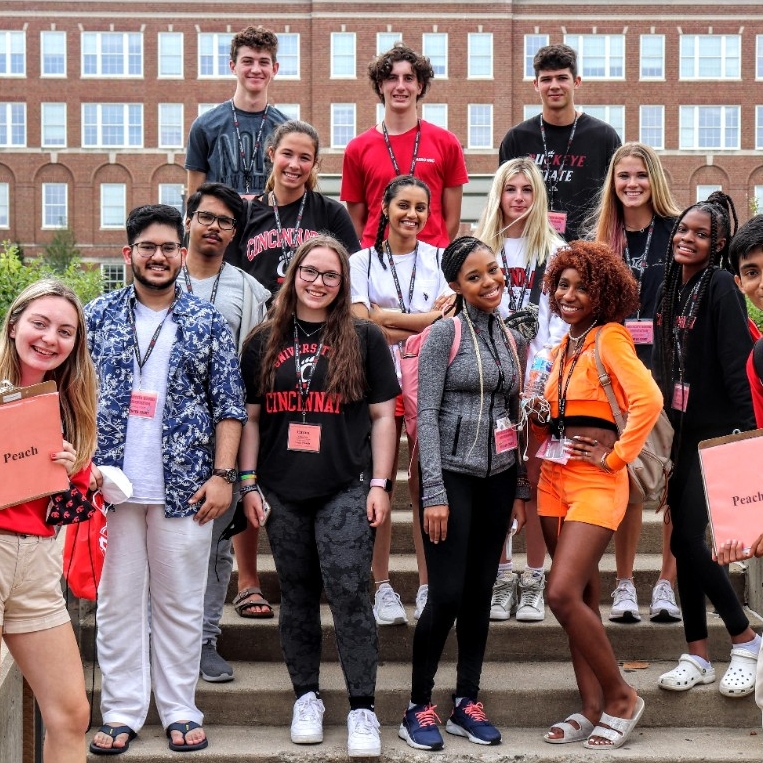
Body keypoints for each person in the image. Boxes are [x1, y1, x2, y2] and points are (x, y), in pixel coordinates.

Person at [86, 204, 248, 754]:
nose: (158, 257)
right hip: (110, 487)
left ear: (182, 254)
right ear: (128, 253)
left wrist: (225, 475)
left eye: (167, 248)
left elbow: (229, 406)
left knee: (180, 601)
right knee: (118, 600)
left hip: (185, 485)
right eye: (147, 247)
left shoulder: (207, 323)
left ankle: (180, 707)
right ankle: (124, 709)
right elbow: (73, 398)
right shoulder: (97, 316)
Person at [238, 235, 399, 758]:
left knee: (351, 592)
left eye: (331, 275)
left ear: (342, 282)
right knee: (298, 596)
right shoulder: (263, 340)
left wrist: (381, 484)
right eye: (310, 271)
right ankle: (306, 696)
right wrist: (248, 483)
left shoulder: (365, 337)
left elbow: (383, 416)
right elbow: (252, 420)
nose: (319, 282)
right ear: (292, 273)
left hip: (345, 486)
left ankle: (361, 707)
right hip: (282, 490)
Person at [399, 236, 529, 751]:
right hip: (450, 476)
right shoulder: (441, 335)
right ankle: (418, 704)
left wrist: (519, 484)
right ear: (455, 285)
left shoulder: (509, 336)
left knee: (480, 593)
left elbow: (514, 415)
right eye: (474, 277)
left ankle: (466, 701)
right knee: (447, 594)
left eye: (493, 271)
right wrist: (432, 491)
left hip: (497, 478)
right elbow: (424, 416)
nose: (489, 282)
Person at [533, 240, 662, 749]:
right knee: (581, 596)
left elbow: (647, 399)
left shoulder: (610, 337)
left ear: (603, 293)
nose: (568, 294)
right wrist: (541, 415)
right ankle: (590, 707)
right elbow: (563, 414)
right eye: (562, 284)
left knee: (560, 592)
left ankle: (621, 697)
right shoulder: (562, 346)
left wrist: (615, 458)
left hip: (595, 481)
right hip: (552, 479)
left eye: (581, 286)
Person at [653, 193, 761, 698]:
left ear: (717, 244)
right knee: (679, 541)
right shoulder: (673, 286)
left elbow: (738, 361)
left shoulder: (719, 284)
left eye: (699, 233)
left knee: (689, 542)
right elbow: (664, 365)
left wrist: (744, 438)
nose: (686, 238)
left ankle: (744, 639)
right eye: (682, 229)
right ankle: (696, 653)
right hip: (681, 433)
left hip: (717, 435)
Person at [0, 279, 97, 763]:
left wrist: (78, 469)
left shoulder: (69, 400)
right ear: (14, 323)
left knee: (70, 714)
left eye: (65, 331)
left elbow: (70, 505)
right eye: (39, 323)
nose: (50, 338)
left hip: (38, 562)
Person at [350, 175, 453, 626]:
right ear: (385, 209)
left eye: (420, 208)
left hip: (430, 377)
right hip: (375, 379)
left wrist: (385, 319)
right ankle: (383, 585)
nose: (412, 215)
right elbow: (359, 325)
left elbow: (449, 322)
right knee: (382, 482)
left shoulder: (441, 259)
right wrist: (423, 321)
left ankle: (429, 585)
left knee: (424, 481)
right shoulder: (359, 262)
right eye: (403, 206)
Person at [586, 142, 683, 624]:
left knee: (672, 482)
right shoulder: (604, 237)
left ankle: (666, 584)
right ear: (613, 182)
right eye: (623, 176)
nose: (631, 184)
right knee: (627, 480)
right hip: (618, 374)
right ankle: (624, 584)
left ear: (654, 180)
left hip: (670, 369)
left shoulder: (676, 233)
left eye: (640, 175)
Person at [180, 182, 271, 683]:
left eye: (226, 222)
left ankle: (205, 640)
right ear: (188, 219)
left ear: (235, 233)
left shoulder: (249, 291)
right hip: (164, 437)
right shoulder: (162, 278)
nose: (214, 227)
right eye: (206, 217)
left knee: (215, 548)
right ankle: (159, 638)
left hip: (224, 437)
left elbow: (259, 367)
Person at [475, 157, 567, 623]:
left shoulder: (553, 249)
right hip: (489, 377)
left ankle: (534, 576)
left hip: (537, 377)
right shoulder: (480, 246)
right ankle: (501, 574)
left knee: (533, 477)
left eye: (527, 190)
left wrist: (540, 373)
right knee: (496, 475)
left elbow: (559, 320)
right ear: (498, 193)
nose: (518, 198)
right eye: (510, 188)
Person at [341, 43, 468, 249]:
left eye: (408, 78)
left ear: (420, 86)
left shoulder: (446, 143)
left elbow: (451, 221)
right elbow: (358, 223)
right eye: (392, 78)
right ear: (380, 86)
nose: (400, 86)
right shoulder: (357, 148)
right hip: (377, 261)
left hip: (431, 261)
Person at [498, 43, 621, 243]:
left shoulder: (604, 137)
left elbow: (617, 201)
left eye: (562, 78)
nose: (554, 86)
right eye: (546, 79)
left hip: (588, 248)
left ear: (577, 82)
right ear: (536, 84)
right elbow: (503, 200)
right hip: (530, 248)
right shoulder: (517, 139)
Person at [227, 119, 360, 296]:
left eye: (304, 157)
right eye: (287, 154)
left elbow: (352, 277)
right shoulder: (244, 213)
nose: (294, 165)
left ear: (314, 163)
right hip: (257, 319)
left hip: (312, 319)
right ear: (272, 154)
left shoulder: (331, 213)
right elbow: (229, 278)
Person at [185, 25, 289, 198]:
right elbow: (194, 200)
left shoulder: (287, 130)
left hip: (271, 223)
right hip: (220, 223)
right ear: (233, 66)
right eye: (247, 61)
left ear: (274, 69)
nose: (256, 69)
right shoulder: (204, 126)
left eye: (263, 62)